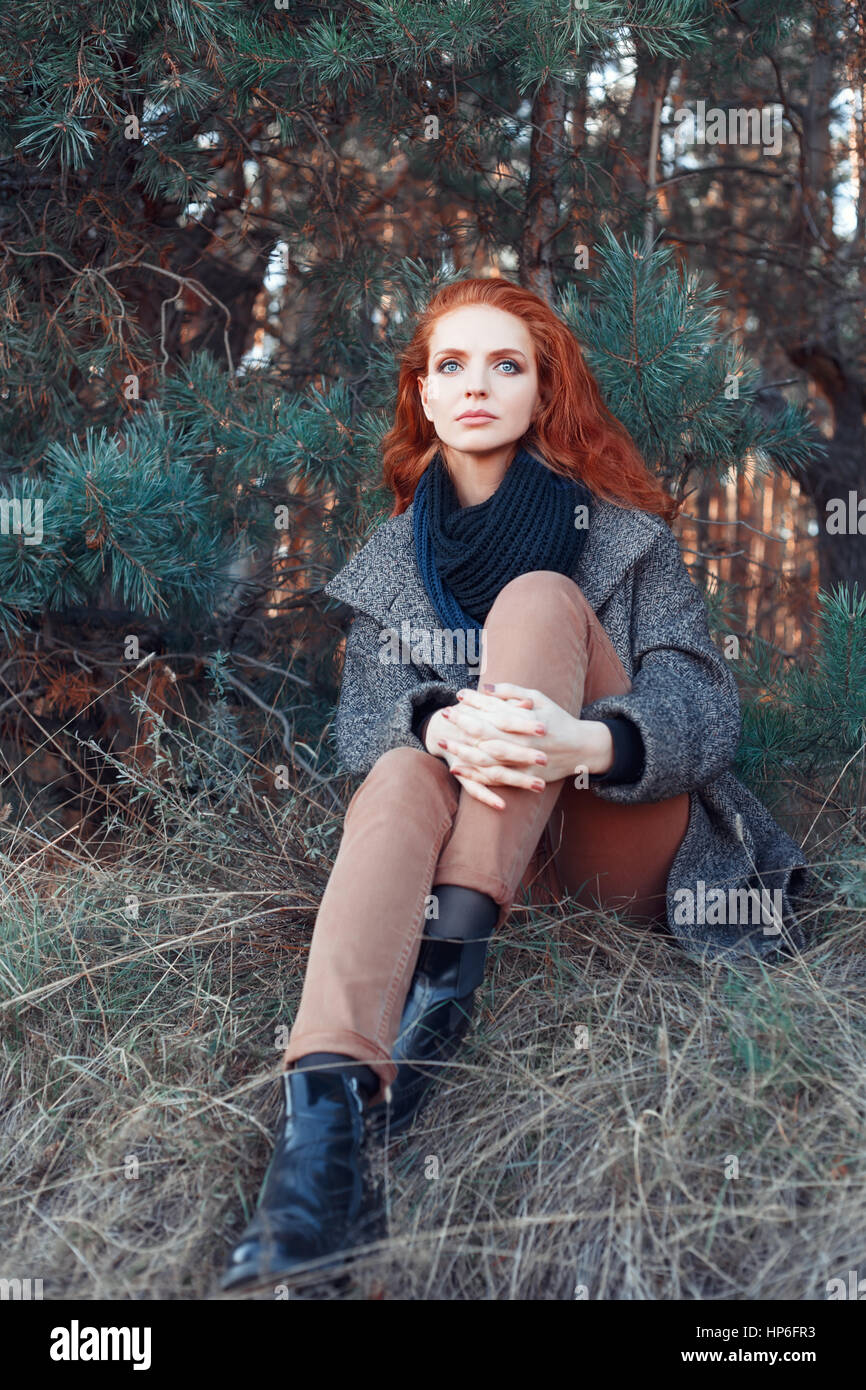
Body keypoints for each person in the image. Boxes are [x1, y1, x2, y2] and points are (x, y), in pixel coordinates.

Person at [221, 277, 813, 1292]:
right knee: (402, 764)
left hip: (612, 841)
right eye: (449, 365)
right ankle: (318, 1149)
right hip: (481, 860)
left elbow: (705, 707)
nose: (475, 385)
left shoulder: (622, 541)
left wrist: (582, 743)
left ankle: (441, 976)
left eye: (506, 364)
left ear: (544, 392)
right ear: (423, 394)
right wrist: (438, 716)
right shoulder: (388, 560)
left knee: (538, 600)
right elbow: (364, 721)